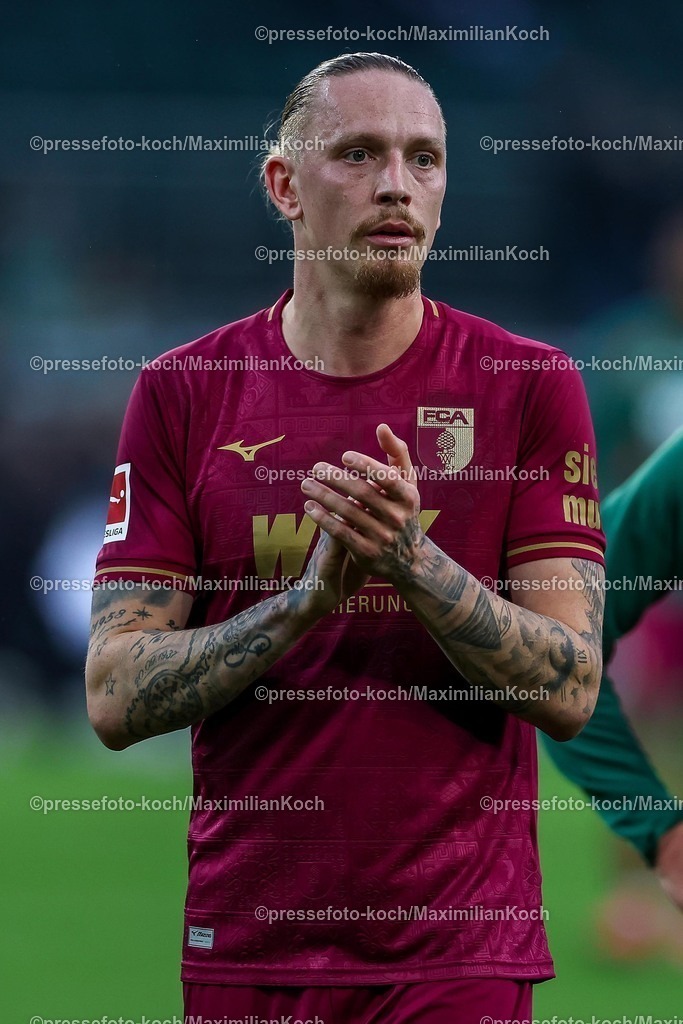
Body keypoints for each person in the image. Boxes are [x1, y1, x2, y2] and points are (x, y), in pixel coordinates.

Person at [85, 52, 605, 1023]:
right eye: (359, 154)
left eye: (424, 159)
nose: (396, 186)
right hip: (247, 945)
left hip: (456, 952)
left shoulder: (528, 387)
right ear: (283, 184)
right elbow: (114, 692)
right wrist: (300, 605)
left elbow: (569, 687)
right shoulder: (180, 393)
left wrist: (411, 560)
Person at [542, 427, 683, 922]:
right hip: (664, 627)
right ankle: (629, 904)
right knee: (656, 729)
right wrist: (660, 832)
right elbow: (557, 658)